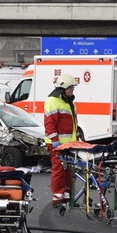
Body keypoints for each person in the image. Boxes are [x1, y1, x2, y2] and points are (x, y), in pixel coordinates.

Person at [44, 73, 78, 205]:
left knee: (68, 170)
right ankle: (57, 196)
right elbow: (50, 124)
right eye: (71, 88)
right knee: (59, 169)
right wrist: (55, 141)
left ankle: (66, 194)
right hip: (57, 144)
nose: (73, 90)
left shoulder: (68, 102)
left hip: (68, 144)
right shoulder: (52, 101)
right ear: (64, 89)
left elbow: (72, 124)